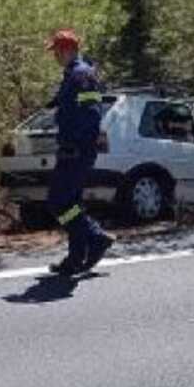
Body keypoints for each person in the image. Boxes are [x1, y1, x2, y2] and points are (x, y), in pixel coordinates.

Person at [44, 29, 115, 277]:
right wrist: (56, 103)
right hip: (72, 148)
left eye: (56, 51)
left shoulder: (82, 74)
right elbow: (74, 103)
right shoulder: (72, 75)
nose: (54, 56)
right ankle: (75, 259)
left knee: (58, 201)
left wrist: (78, 144)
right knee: (69, 203)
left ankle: (95, 237)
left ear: (67, 50)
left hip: (77, 150)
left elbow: (92, 113)